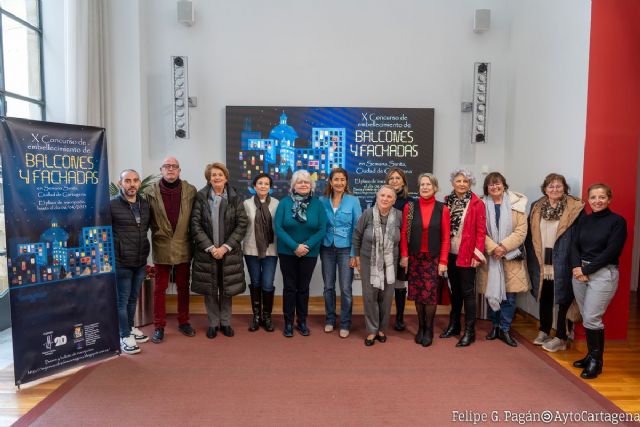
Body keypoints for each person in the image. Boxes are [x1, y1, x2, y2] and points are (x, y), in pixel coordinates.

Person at [571, 183, 626, 379]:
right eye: (593, 197)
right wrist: (578, 269)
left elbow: (612, 251)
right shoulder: (584, 221)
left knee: (592, 317)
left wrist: (586, 269)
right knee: (587, 316)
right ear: (589, 200)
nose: (597, 201)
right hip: (580, 273)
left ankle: (597, 362)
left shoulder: (617, 222)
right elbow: (574, 246)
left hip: (603, 273)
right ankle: (589, 355)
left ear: (609, 199)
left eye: (601, 197)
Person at [525, 173, 584, 352]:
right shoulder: (537, 206)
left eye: (559, 186)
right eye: (551, 186)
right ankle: (544, 330)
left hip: (564, 258)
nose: (555, 189)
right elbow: (530, 233)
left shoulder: (574, 207)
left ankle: (561, 336)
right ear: (545, 189)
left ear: (565, 188)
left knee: (564, 296)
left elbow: (581, 236)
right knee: (545, 294)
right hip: (542, 258)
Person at [142, 157, 197, 343]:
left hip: (184, 243)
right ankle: (159, 326)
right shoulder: (150, 192)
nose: (170, 169)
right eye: (167, 166)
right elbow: (145, 221)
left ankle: (184, 321)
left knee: (183, 286)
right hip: (162, 244)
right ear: (161, 169)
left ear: (179, 170)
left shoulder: (190, 191)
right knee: (160, 288)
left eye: (174, 167)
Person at [190, 163, 248, 339]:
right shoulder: (201, 197)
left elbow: (242, 224)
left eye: (220, 175)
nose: (216, 178)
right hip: (207, 252)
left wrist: (224, 247)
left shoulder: (235, 197)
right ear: (209, 178)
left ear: (226, 178)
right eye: (213, 175)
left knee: (226, 289)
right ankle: (213, 324)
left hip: (228, 252)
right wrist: (211, 247)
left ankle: (225, 322)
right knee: (210, 290)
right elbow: (195, 224)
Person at [476, 172, 530, 347]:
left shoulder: (517, 205)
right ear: (486, 188)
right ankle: (495, 326)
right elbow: (479, 231)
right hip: (491, 257)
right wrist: (493, 248)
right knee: (492, 293)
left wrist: (503, 247)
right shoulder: (481, 205)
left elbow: (521, 231)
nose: (494, 187)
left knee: (509, 297)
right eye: (490, 184)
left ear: (504, 185)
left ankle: (505, 328)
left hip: (510, 257)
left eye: (497, 183)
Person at [274, 170, 327, 337]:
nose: (303, 184)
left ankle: (302, 321)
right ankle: (288, 322)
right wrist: (295, 246)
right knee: (290, 288)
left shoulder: (318, 204)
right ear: (293, 186)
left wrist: (306, 246)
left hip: (309, 253)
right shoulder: (284, 203)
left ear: (311, 186)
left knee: (303, 288)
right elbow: (278, 228)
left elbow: (322, 229)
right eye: (299, 182)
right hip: (287, 252)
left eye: (306, 182)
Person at [399, 173, 450, 347]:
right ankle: (420, 327)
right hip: (415, 257)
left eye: (428, 184)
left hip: (433, 258)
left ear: (435, 187)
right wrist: (404, 255)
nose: (425, 187)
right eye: (422, 184)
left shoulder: (443, 209)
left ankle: (429, 329)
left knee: (429, 296)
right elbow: (404, 233)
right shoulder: (410, 207)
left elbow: (445, 238)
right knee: (418, 296)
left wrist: (443, 261)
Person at [440, 169, 486, 347]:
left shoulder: (477, 203)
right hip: (449, 253)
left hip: (467, 254)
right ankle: (454, 325)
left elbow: (481, 231)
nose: (461, 184)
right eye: (458, 181)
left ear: (470, 184)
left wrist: (477, 254)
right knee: (455, 291)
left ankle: (470, 331)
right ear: (453, 183)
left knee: (468, 293)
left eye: (465, 181)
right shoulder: (446, 201)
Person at [353, 185, 402, 346]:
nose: (385, 199)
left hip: (390, 263)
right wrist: (357, 256)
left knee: (386, 297)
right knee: (370, 297)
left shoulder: (399, 216)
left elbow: (404, 241)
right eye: (383, 195)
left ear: (394, 200)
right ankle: (372, 330)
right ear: (377, 196)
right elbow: (357, 235)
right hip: (368, 261)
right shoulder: (367, 214)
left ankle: (382, 329)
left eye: (389, 196)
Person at [110, 169, 151, 355]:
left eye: (135, 181)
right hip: (121, 262)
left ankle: (130, 327)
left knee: (133, 298)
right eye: (127, 181)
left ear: (139, 183)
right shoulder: (111, 205)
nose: (131, 184)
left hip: (140, 260)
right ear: (120, 184)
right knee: (122, 301)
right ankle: (124, 335)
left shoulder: (145, 204)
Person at [320, 167, 362, 338]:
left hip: (346, 249)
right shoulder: (322, 200)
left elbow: (357, 229)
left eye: (342, 180)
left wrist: (354, 253)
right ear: (330, 181)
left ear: (346, 182)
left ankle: (345, 323)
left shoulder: (353, 200)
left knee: (345, 288)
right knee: (328, 287)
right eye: (336, 179)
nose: (339, 183)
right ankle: (330, 319)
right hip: (327, 247)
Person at [243, 173, 279, 332]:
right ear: (254, 186)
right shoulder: (246, 204)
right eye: (260, 183)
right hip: (251, 249)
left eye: (266, 184)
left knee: (267, 283)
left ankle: (267, 316)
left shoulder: (277, 204)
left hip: (271, 249)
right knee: (256, 282)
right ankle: (256, 317)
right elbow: (242, 227)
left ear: (270, 187)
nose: (263, 186)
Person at [382, 167, 415, 332]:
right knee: (383, 283)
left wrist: (406, 253)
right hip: (384, 249)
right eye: (391, 178)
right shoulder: (382, 199)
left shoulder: (410, 202)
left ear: (403, 181)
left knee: (399, 284)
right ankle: (382, 318)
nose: (394, 181)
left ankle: (400, 318)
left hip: (402, 250)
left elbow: (411, 230)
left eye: (397, 178)